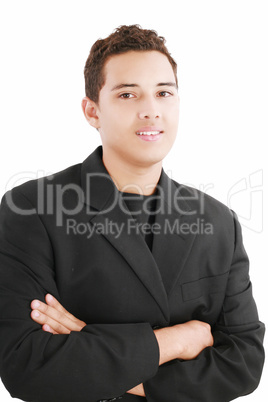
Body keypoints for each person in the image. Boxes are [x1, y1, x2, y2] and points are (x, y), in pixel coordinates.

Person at [0, 24, 265, 402]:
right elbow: (25, 366)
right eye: (127, 94)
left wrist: (95, 351)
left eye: (163, 93)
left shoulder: (219, 222)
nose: (150, 111)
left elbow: (244, 363)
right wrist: (178, 339)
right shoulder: (30, 209)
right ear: (92, 111)